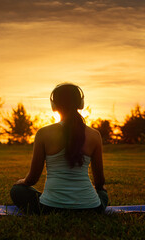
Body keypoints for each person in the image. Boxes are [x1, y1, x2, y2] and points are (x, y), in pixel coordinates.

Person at [10, 83, 108, 215]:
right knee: (103, 193)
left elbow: (32, 179)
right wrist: (95, 192)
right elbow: (100, 182)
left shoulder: (43, 133)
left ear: (53, 105)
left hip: (49, 209)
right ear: (81, 103)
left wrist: (21, 182)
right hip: (91, 209)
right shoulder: (94, 135)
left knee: (17, 190)